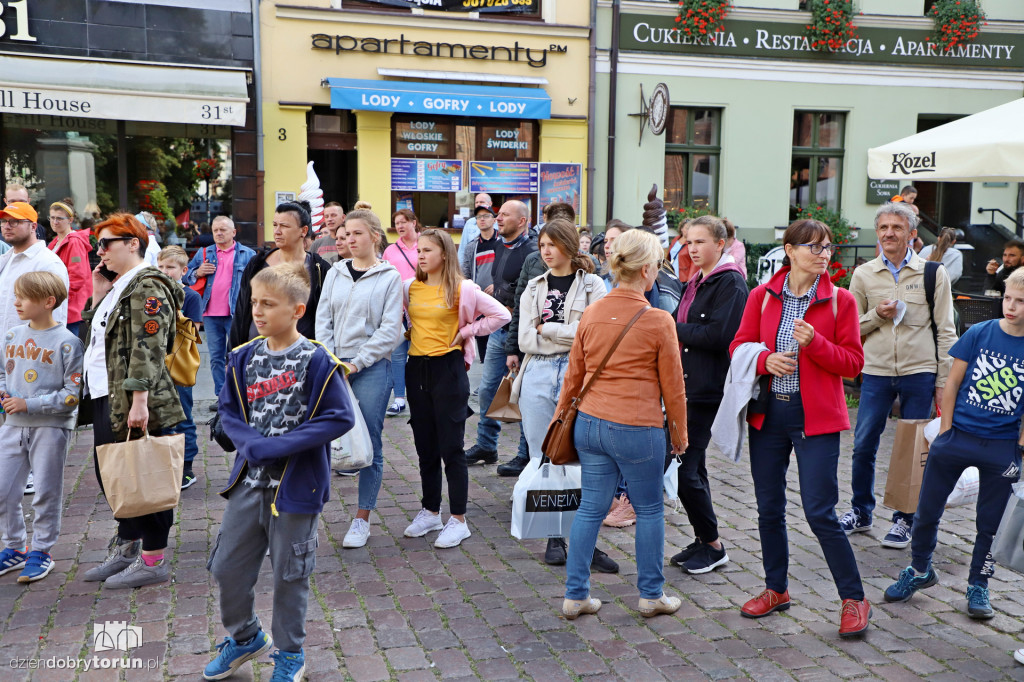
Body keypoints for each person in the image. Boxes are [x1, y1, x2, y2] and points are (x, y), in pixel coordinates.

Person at [205, 263, 355, 682]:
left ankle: (290, 653)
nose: (258, 311)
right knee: (226, 566)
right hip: (248, 485)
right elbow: (229, 410)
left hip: (296, 490)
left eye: (269, 304)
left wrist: (277, 446)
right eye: (255, 302)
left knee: (290, 575)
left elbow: (339, 417)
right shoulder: (244, 356)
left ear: (296, 310)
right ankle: (246, 637)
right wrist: (250, 444)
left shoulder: (317, 359)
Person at [729, 218, 870, 638]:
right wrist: (762, 361)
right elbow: (739, 344)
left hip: (817, 417)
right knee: (768, 508)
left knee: (819, 511)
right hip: (768, 414)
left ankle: (854, 598)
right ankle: (776, 589)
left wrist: (816, 344)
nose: (823, 255)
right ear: (789, 250)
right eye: (813, 247)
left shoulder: (841, 301)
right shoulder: (762, 295)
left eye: (827, 248)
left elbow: (853, 363)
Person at [558, 229, 687, 621]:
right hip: (636, 428)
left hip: (590, 424)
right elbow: (674, 389)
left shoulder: (592, 312)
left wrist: (561, 418)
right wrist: (680, 436)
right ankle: (651, 594)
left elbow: (573, 377)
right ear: (647, 270)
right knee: (649, 510)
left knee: (590, 508)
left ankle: (575, 595)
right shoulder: (658, 320)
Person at [884, 267, 1024, 621]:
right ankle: (918, 570)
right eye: (1008, 298)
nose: (1011, 306)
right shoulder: (979, 332)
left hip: (1001, 446)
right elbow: (953, 382)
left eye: (1021, 302)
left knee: (989, 523)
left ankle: (979, 584)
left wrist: (1019, 446)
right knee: (927, 510)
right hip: (956, 437)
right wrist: (945, 431)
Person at [80, 213, 185, 589]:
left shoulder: (148, 285)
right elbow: (95, 336)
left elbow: (149, 346)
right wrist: (97, 290)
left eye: (106, 243)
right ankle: (127, 549)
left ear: (133, 243)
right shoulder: (120, 285)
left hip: (135, 399)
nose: (100, 251)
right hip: (105, 393)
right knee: (115, 473)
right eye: (98, 244)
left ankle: (153, 559)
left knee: (145, 474)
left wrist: (140, 399)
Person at [843, 202, 957, 549]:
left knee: (913, 450)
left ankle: (905, 519)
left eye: (896, 228)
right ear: (877, 233)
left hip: (919, 372)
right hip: (876, 372)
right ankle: (861, 511)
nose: (889, 233)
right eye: (883, 228)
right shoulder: (864, 274)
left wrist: (943, 382)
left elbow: (946, 331)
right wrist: (877, 315)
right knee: (863, 444)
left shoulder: (932, 273)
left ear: (911, 234)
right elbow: (849, 330)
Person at [506, 219, 616, 572]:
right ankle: (555, 535)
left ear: (569, 245)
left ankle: (589, 541)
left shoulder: (593, 285)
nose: (547, 251)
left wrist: (548, 328)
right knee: (546, 455)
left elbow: (591, 333)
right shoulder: (533, 287)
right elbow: (525, 339)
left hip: (578, 373)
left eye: (552, 244)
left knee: (585, 458)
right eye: (542, 246)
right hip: (536, 371)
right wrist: (563, 334)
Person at [402, 229, 509, 548]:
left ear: (444, 255)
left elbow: (501, 315)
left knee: (451, 447)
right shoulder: (409, 287)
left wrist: (468, 330)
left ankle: (459, 520)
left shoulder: (462, 289)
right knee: (425, 446)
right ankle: (430, 511)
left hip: (448, 369)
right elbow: (404, 320)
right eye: (419, 250)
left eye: (428, 251)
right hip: (416, 369)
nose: (420, 255)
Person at [315, 209, 403, 548]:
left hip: (371, 370)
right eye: (345, 234)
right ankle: (311, 513)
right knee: (323, 439)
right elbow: (323, 319)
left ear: (374, 237)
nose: (349, 240)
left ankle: (362, 518)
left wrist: (356, 363)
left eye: (356, 234)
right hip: (333, 367)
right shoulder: (336, 272)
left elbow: (389, 331)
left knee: (369, 445)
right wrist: (332, 358)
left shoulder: (389, 276)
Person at [670, 216, 747, 574]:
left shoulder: (730, 282)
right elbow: (677, 319)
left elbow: (720, 335)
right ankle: (705, 538)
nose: (692, 249)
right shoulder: (695, 281)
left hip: (707, 390)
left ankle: (714, 544)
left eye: (700, 242)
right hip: (685, 386)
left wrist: (672, 327)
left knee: (685, 468)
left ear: (721, 243)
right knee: (691, 466)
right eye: (688, 242)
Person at [0, 272, 83, 583]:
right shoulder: (11, 336)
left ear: (48, 302)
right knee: (4, 489)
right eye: (16, 295)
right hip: (12, 425)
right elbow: (3, 374)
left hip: (50, 427)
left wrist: (29, 404)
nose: (16, 302)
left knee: (46, 490)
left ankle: (42, 550)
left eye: (25, 297)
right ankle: (15, 547)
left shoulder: (68, 343)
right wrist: (5, 396)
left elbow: (72, 395)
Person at [465, 200, 535, 472]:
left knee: (522, 396)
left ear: (521, 221)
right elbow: (504, 282)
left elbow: (528, 292)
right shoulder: (498, 245)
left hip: (521, 333)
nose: (498, 218)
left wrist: (505, 296)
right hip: (498, 332)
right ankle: (486, 445)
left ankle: (524, 454)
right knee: (488, 391)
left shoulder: (531, 251)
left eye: (505, 214)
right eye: (499, 214)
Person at [229, 202, 329, 350]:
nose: (277, 231)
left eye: (284, 226)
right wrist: (231, 356)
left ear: (303, 230)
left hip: (300, 355)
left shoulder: (319, 268)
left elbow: (325, 317)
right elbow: (241, 310)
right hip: (255, 353)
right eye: (275, 225)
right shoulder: (257, 263)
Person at [184, 216, 257, 404]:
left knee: (237, 355)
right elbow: (185, 277)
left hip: (236, 314)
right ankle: (222, 397)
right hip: (209, 314)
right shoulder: (204, 253)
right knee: (216, 358)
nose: (218, 233)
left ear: (233, 232)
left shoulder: (247, 254)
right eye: (215, 230)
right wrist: (197, 273)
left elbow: (258, 283)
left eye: (223, 229)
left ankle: (238, 396)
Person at [157, 246, 203, 489]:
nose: (165, 272)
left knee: (183, 414)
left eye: (171, 267)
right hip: (156, 365)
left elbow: (191, 334)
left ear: (184, 271)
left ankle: (186, 466)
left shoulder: (192, 297)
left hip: (180, 366)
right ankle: (165, 462)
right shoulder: (153, 295)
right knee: (161, 416)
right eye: (161, 267)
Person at [0, 202, 70, 335]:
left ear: (33, 226)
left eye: (14, 221)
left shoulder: (48, 263)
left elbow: (55, 318)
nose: (7, 226)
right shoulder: (6, 259)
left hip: (31, 352)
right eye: (4, 221)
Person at [381, 209, 422, 417]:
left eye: (403, 222)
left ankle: (421, 396)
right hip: (398, 308)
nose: (399, 226)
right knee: (397, 354)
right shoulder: (390, 250)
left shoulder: (425, 244)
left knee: (420, 353)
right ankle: (399, 399)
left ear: (414, 223)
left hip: (422, 306)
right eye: (396, 223)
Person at [458, 205, 499, 362]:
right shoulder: (472, 246)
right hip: (480, 301)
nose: (482, 219)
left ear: (494, 219)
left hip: (500, 298)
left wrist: (497, 284)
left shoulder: (502, 242)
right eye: (478, 217)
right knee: (483, 342)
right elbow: (466, 274)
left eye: (486, 216)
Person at [47, 198, 92, 338]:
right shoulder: (55, 241)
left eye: (60, 218)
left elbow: (78, 277)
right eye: (52, 218)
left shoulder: (74, 242)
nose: (55, 222)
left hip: (70, 307)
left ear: (70, 220)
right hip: (59, 304)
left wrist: (57, 297)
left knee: (70, 351)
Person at [456, 193, 493, 264]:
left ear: (490, 203)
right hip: (472, 265)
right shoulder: (470, 222)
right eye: (476, 202)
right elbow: (463, 248)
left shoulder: (496, 222)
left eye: (482, 202)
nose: (478, 204)